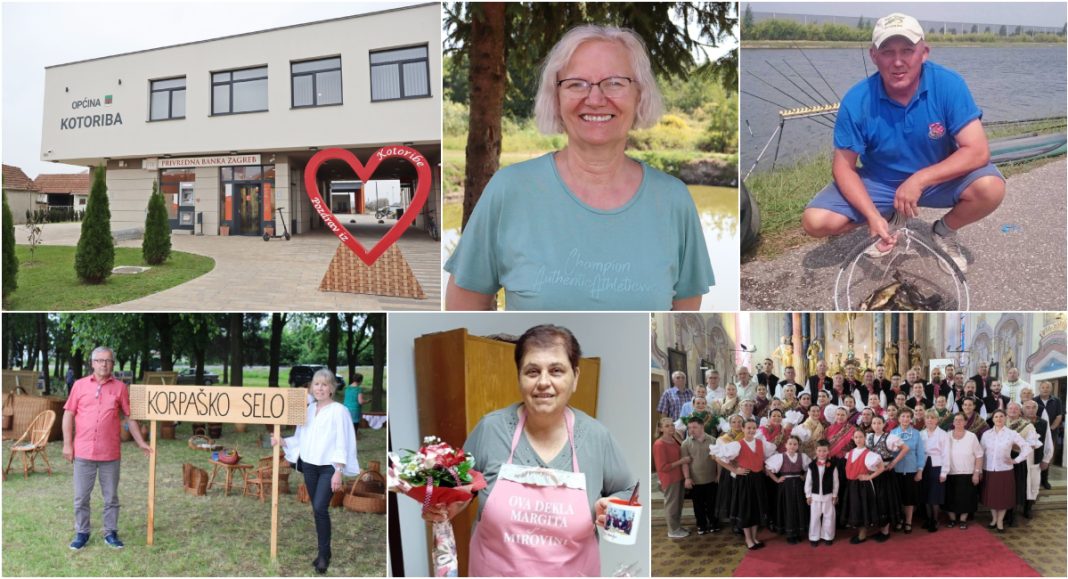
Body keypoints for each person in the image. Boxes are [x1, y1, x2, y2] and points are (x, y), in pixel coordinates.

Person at [444, 25, 714, 311]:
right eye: (576, 83)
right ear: (556, 98)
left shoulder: (673, 200)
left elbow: (685, 309)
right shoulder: (510, 190)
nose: (595, 99)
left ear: (640, 95)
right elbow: (465, 305)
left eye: (614, 82)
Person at [800, 13, 1005, 273]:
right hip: (881, 181)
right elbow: (843, 168)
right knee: (815, 221)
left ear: (924, 52)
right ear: (873, 56)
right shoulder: (856, 100)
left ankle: (943, 231)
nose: (898, 62)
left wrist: (919, 179)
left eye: (907, 50)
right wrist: (871, 216)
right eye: (887, 52)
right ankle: (886, 217)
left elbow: (978, 152)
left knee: (991, 188)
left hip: (936, 179)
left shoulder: (949, 85)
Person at [423, 325, 635, 576]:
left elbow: (628, 496)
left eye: (556, 371)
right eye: (532, 371)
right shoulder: (491, 429)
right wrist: (442, 504)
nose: (543, 382)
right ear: (519, 377)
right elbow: (459, 489)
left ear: (575, 377)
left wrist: (614, 515)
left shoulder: (597, 437)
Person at [62, 346, 152, 551]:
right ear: (92, 363)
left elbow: (129, 417)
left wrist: (141, 442)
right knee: (81, 497)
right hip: (83, 451)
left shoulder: (120, 388)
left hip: (110, 453)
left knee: (111, 496)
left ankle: (110, 532)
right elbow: (68, 415)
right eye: (100, 360)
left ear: (113, 364)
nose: (104, 364)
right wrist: (67, 444)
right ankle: (82, 533)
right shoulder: (79, 385)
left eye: (108, 360)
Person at [273, 369, 359, 574]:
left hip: (329, 466)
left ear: (332, 388)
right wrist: (282, 441)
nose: (320, 388)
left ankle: (323, 555)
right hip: (310, 465)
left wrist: (338, 470)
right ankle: (324, 551)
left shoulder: (340, 411)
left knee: (320, 507)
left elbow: (343, 442)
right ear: (312, 387)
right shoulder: (309, 409)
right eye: (317, 384)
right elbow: (301, 437)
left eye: (324, 384)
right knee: (316, 508)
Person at [712, 418, 776, 550]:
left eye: (754, 428)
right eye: (748, 428)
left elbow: (764, 458)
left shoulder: (761, 443)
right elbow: (718, 458)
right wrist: (734, 470)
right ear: (743, 429)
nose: (751, 430)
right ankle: (748, 539)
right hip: (745, 479)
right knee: (746, 508)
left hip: (758, 479)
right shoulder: (738, 444)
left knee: (756, 508)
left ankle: (754, 537)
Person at [980, 409, 1032, 532]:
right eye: (996, 416)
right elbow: (980, 452)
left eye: (1001, 416)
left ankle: (1000, 521)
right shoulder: (986, 434)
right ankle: (993, 519)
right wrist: (979, 470)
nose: (998, 419)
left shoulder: (1011, 433)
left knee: (1003, 498)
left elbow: (1027, 447)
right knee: (992, 498)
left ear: (1005, 418)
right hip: (989, 470)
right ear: (992, 419)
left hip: (1004, 470)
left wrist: (1016, 460)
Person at [843, 429, 890, 544]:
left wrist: (869, 477)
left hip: (863, 486)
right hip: (851, 485)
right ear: (853, 439)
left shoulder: (869, 454)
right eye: (856, 437)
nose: (858, 439)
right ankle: (861, 532)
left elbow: (881, 468)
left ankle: (862, 534)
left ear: (865, 438)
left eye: (860, 437)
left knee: (862, 508)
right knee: (855, 508)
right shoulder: (849, 453)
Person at [765, 435, 811, 544]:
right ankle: (790, 534)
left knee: (799, 507)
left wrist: (804, 476)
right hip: (786, 487)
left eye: (795, 444)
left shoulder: (802, 456)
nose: (792, 446)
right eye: (790, 444)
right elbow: (766, 468)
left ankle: (798, 532)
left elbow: (810, 468)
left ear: (798, 446)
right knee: (788, 508)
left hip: (799, 486)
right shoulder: (780, 457)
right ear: (786, 445)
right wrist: (776, 479)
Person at [943, 412, 984, 529]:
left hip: (967, 473)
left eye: (961, 420)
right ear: (953, 422)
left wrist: (976, 473)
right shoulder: (947, 435)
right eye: (956, 420)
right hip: (950, 472)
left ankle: (962, 520)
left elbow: (979, 455)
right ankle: (952, 519)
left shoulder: (972, 436)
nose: (958, 422)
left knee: (966, 498)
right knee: (950, 498)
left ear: (966, 422)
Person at [866, 415, 907, 532]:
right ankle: (879, 526)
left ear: (884, 424)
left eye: (879, 423)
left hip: (885, 474)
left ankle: (885, 531)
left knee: (884, 499)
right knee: (875, 500)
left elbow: (905, 448)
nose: (876, 425)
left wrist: (893, 462)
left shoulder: (890, 437)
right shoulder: (869, 437)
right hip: (872, 473)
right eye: (874, 423)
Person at [681, 416, 720, 534]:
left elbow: (718, 460)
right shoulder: (685, 444)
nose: (691, 430)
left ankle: (713, 522)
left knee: (712, 503)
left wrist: (718, 475)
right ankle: (701, 524)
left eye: (694, 427)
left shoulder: (713, 440)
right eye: (689, 428)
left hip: (711, 479)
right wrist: (687, 478)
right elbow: (685, 463)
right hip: (695, 480)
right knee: (698, 505)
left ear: (702, 427)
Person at [890, 407, 925, 533]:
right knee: (898, 498)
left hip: (911, 471)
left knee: (909, 499)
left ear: (911, 419)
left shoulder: (916, 433)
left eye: (908, 417)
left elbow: (921, 453)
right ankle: (899, 520)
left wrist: (920, 470)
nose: (905, 419)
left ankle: (908, 521)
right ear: (898, 418)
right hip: (896, 471)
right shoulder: (893, 433)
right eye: (903, 416)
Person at [654, 416, 689, 539]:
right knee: (671, 505)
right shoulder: (659, 444)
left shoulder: (674, 440)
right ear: (661, 429)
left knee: (678, 504)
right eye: (667, 426)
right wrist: (682, 461)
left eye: (672, 425)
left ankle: (677, 526)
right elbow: (663, 467)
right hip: (669, 478)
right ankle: (672, 530)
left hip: (678, 476)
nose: (671, 428)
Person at [919, 409, 950, 531]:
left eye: (932, 418)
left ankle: (935, 520)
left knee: (935, 494)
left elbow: (946, 454)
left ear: (937, 420)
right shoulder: (921, 434)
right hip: (924, 464)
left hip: (937, 465)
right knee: (926, 493)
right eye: (927, 418)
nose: (930, 420)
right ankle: (928, 519)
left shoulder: (943, 434)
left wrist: (944, 472)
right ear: (925, 420)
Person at [1022, 400, 1053, 517]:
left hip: (1036, 457)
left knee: (1033, 484)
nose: (1031, 409)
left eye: (1033, 407)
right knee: (1021, 484)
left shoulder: (1043, 423)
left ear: (1037, 409)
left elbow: (1048, 441)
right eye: (1028, 407)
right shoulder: (1019, 422)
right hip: (1020, 459)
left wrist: (1046, 459)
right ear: (1023, 409)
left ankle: (1028, 508)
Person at [805, 439, 839, 547]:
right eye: (819, 451)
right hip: (815, 496)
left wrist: (834, 494)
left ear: (828, 451)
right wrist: (808, 495)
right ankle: (814, 537)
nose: (822, 453)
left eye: (824, 451)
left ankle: (828, 536)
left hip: (828, 495)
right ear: (816, 451)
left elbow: (835, 481)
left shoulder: (832, 465)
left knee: (829, 516)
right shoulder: (811, 465)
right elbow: (808, 481)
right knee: (814, 517)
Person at [714, 414, 745, 532]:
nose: (737, 424)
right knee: (732, 497)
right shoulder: (723, 438)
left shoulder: (747, 436)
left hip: (744, 470)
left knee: (743, 496)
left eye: (739, 422)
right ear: (730, 424)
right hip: (729, 471)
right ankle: (735, 523)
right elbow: (719, 458)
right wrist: (718, 473)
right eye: (734, 422)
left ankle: (744, 521)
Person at [1035, 380, 1063, 489]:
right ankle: (1036, 479)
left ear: (1051, 389)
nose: (1045, 389)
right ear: (1039, 388)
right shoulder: (1034, 400)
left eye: (1048, 387)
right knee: (1037, 456)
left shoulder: (1057, 401)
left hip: (1051, 432)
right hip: (1037, 434)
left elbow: (1059, 416)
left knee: (1047, 455)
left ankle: (1045, 480)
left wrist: (1050, 429)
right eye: (1043, 387)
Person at [343, 372, 368, 438]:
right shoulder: (358, 389)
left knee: (347, 423)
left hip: (345, 408)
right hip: (354, 409)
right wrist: (367, 401)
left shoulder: (347, 388)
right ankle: (353, 437)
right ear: (360, 380)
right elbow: (360, 401)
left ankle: (346, 436)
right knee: (355, 424)